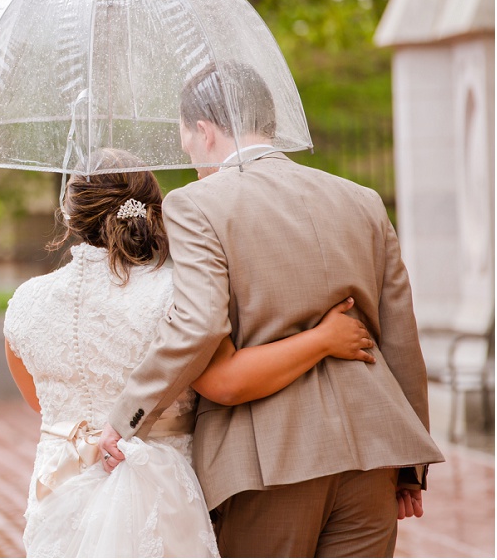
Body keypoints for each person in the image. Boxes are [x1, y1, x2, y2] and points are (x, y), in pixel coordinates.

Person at [97, 62, 445, 557]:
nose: (193, 158)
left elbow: (199, 325)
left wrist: (127, 415)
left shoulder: (195, 204)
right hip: (375, 454)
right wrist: (411, 466)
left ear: (204, 129)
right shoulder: (363, 201)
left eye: (189, 144)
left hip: (267, 460)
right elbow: (401, 340)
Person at [3, 148, 377, 557]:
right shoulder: (179, 292)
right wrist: (322, 338)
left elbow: (39, 402)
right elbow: (225, 380)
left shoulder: (25, 302)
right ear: (150, 207)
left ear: (70, 215)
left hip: (61, 488)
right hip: (159, 486)